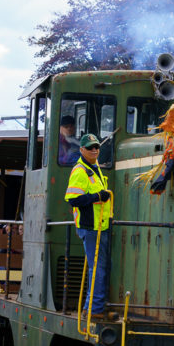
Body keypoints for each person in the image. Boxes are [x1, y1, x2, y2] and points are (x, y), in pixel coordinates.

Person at [64, 134, 114, 320]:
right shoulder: (80, 171)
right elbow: (73, 199)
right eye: (90, 147)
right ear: (82, 150)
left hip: (100, 225)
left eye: (96, 147)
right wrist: (97, 197)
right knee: (98, 268)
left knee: (101, 267)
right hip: (91, 227)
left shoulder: (94, 168)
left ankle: (91, 307)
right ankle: (94, 310)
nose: (94, 150)